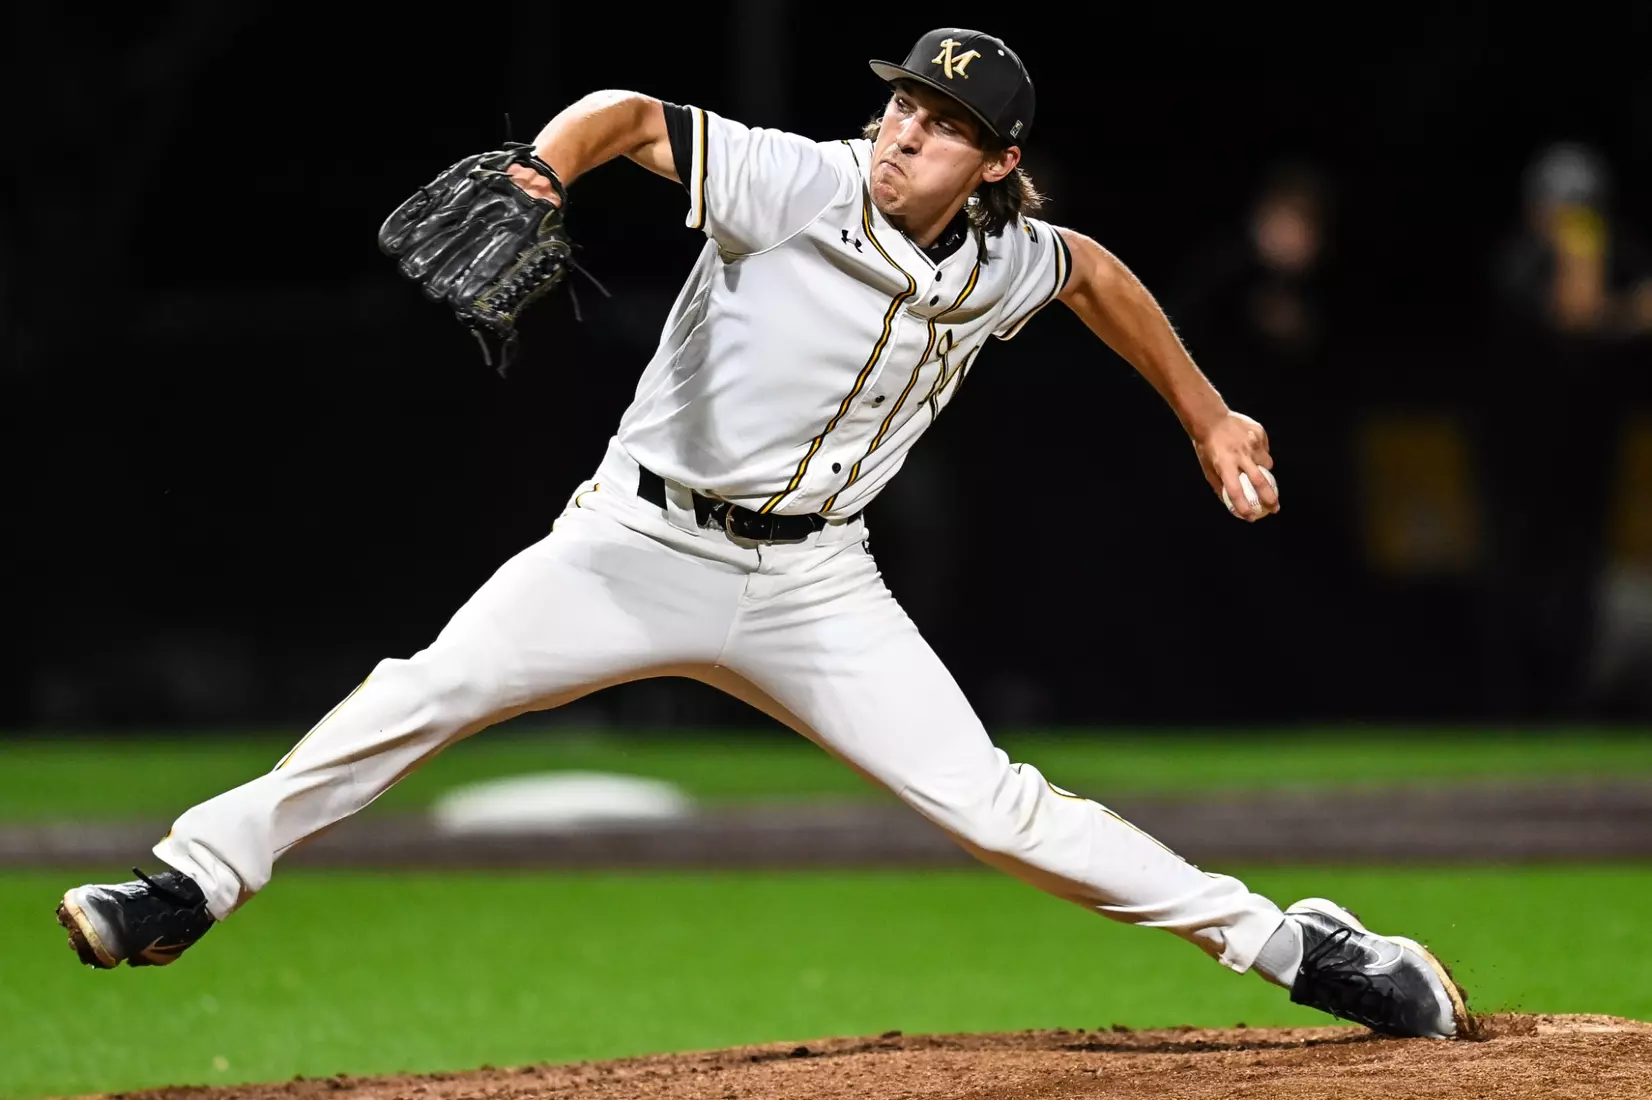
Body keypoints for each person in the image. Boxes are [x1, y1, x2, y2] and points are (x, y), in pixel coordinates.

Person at [54, 28, 1468, 1041]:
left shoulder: (1002, 258)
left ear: (995, 162)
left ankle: (1297, 947)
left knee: (997, 810)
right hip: (635, 544)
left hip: (813, 586)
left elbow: (1092, 274)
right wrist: (547, 170)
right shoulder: (799, 179)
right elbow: (623, 113)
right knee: (430, 688)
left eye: (941, 123)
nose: (906, 130)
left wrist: (1210, 416)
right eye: (904, 104)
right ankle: (188, 881)